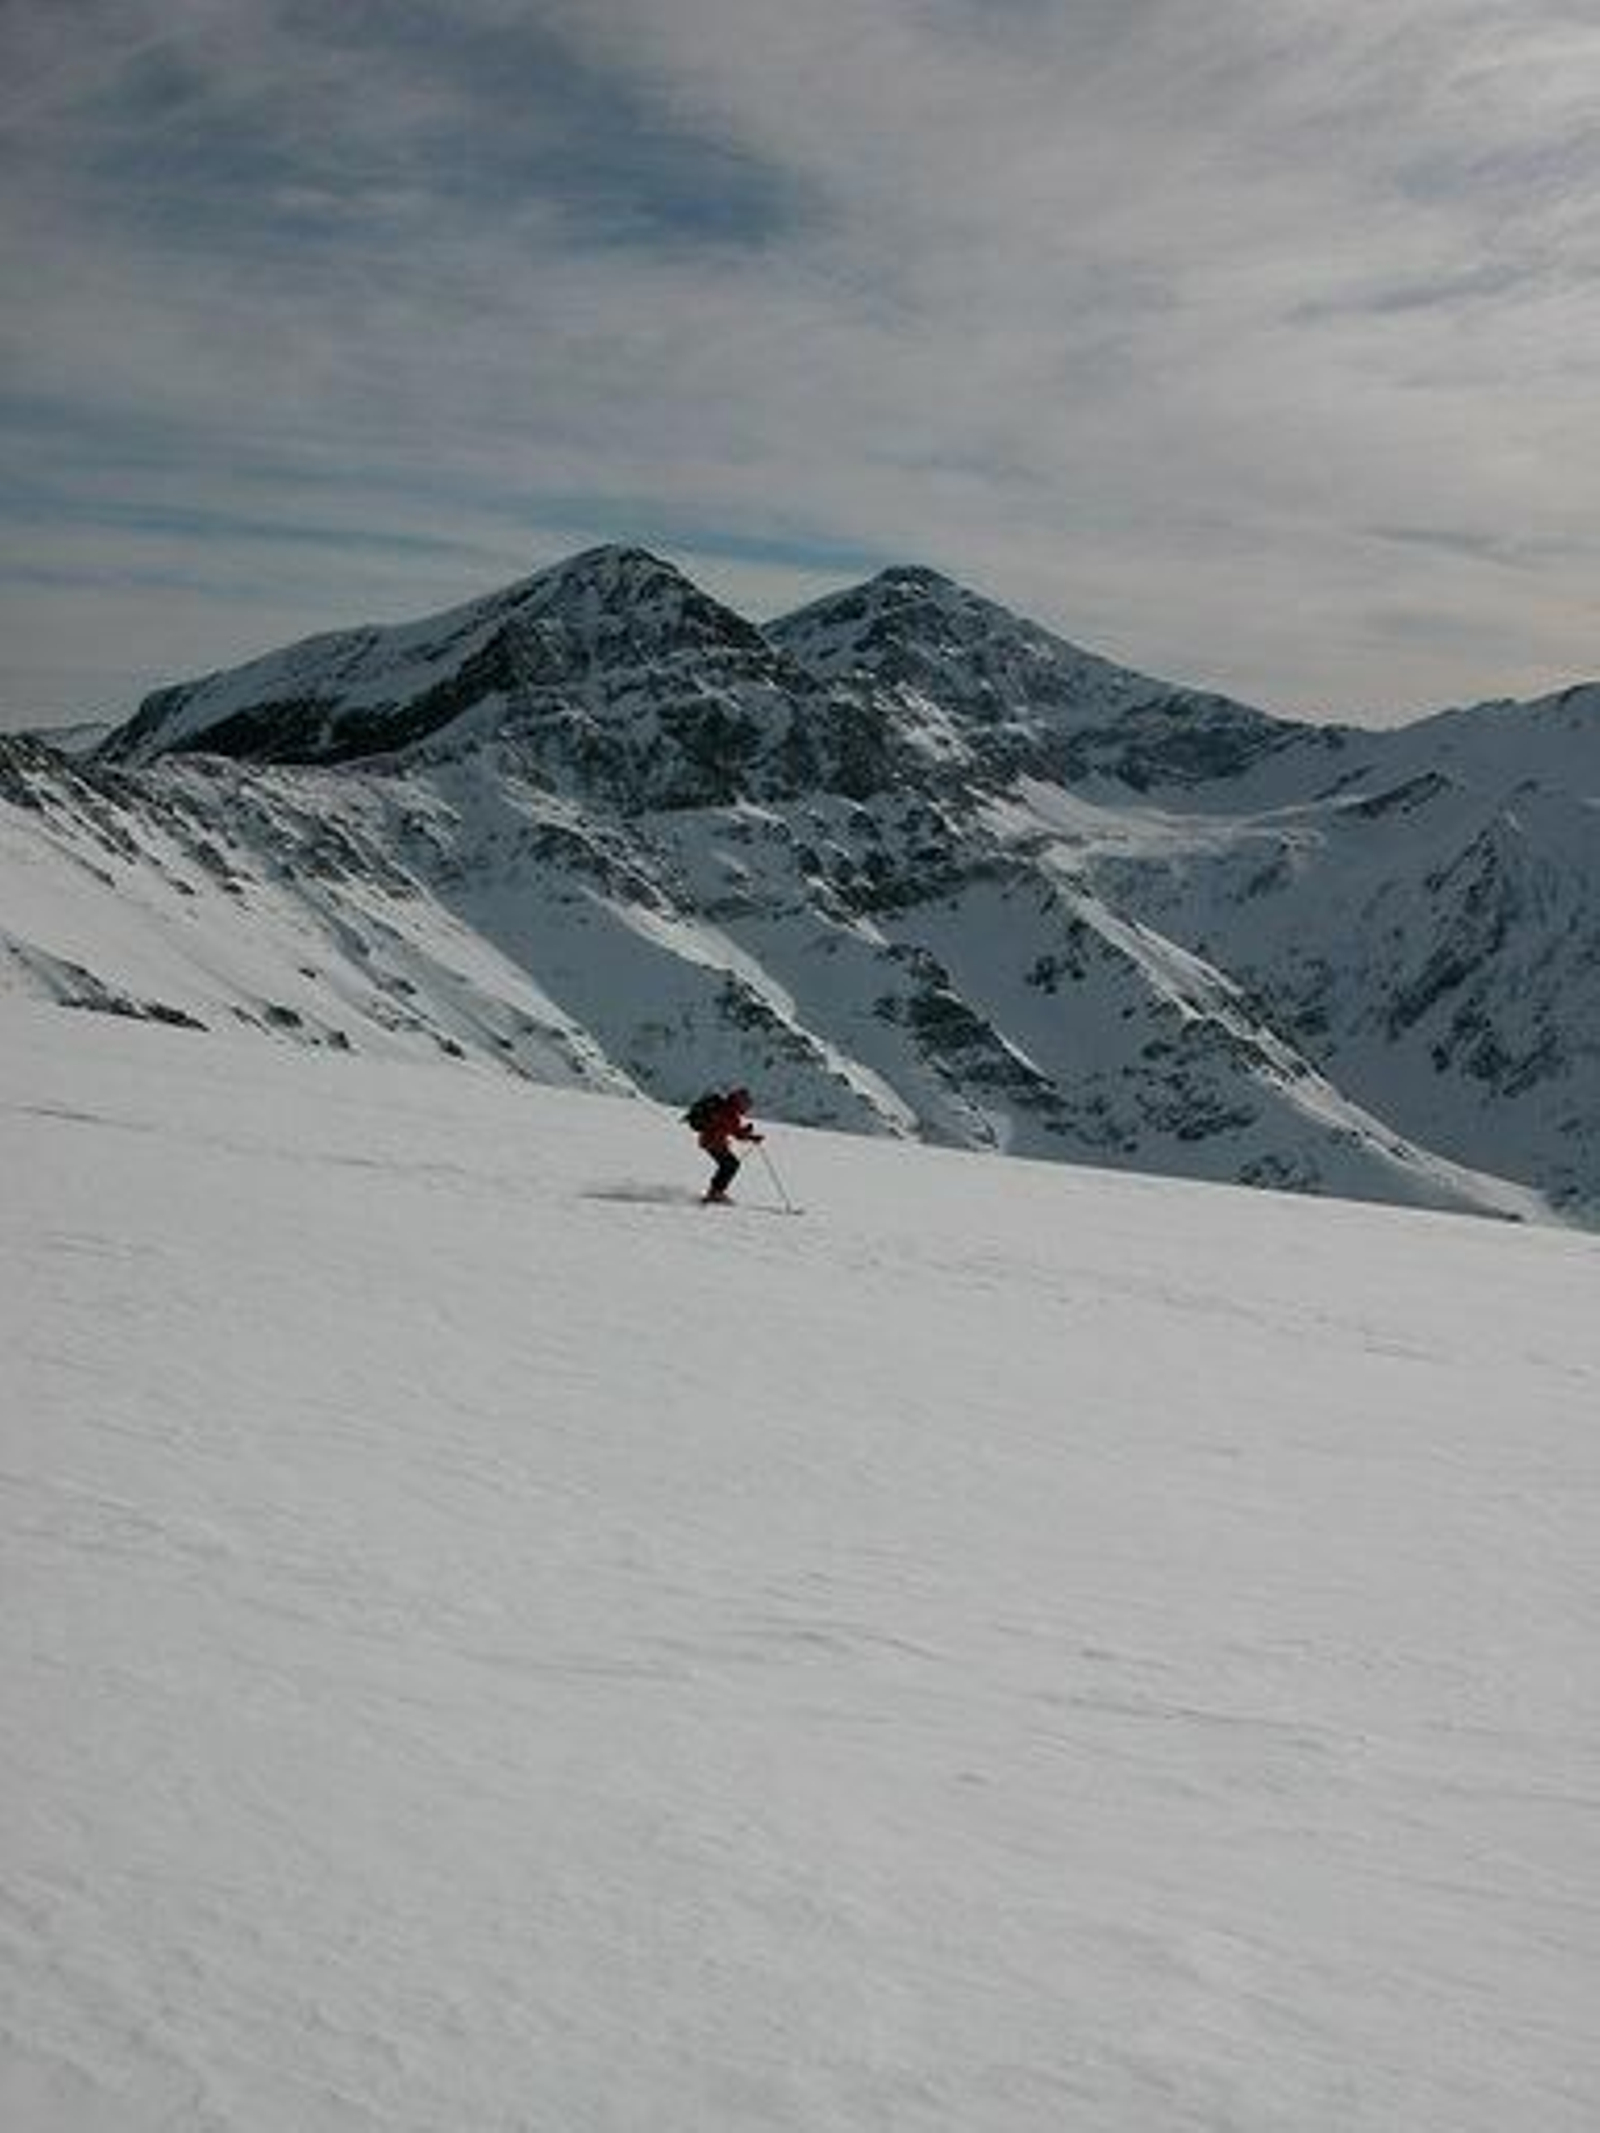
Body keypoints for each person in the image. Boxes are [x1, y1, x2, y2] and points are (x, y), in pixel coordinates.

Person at [692, 1086, 763, 1203]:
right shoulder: (729, 1112)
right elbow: (736, 1133)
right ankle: (715, 1193)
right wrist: (750, 1136)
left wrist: (749, 1135)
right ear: (740, 1101)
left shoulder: (728, 1109)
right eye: (746, 1103)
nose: (746, 1107)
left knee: (729, 1165)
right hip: (713, 1142)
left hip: (713, 1142)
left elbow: (732, 1130)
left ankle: (715, 1192)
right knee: (730, 1165)